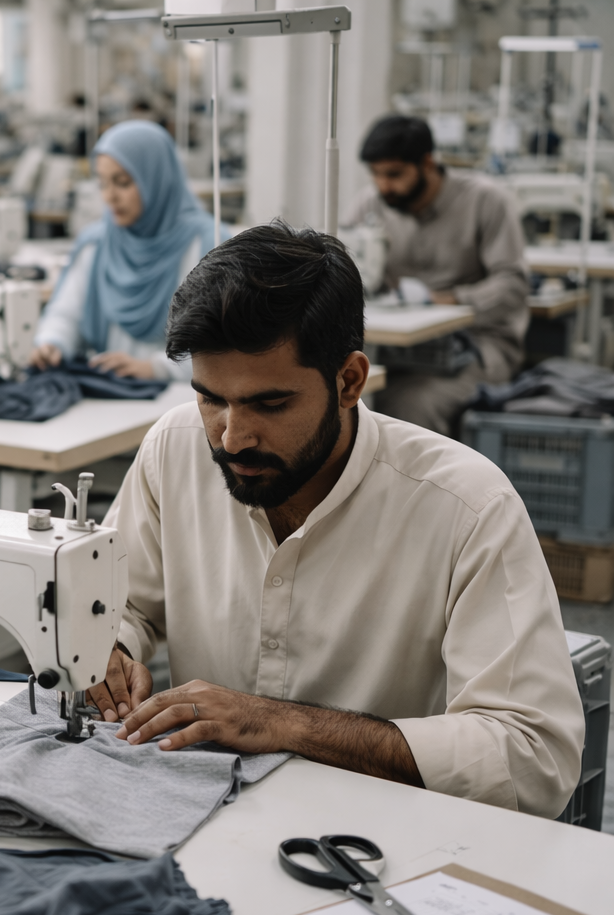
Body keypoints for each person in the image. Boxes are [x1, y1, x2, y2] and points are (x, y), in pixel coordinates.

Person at [87, 222, 582, 818]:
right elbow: (123, 602)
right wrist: (108, 646)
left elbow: (534, 757)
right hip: (206, 810)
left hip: (386, 831)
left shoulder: (468, 508)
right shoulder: (175, 448)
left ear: (349, 381)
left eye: (270, 403)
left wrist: (283, 724)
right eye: (211, 398)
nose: (232, 437)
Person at [347, 114, 530, 437]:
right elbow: (343, 262)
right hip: (399, 348)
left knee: (411, 406)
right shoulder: (373, 204)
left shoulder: (485, 201)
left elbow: (513, 286)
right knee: (342, 397)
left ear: (427, 163)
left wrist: (446, 300)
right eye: (375, 174)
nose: (383, 185)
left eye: (394, 174)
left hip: (477, 345)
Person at [31, 120, 219, 381]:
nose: (109, 196)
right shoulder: (96, 243)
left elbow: (220, 346)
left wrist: (156, 368)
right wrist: (52, 343)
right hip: (110, 389)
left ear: (155, 178)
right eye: (102, 183)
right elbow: (66, 314)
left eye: (122, 182)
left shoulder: (208, 245)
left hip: (181, 394)